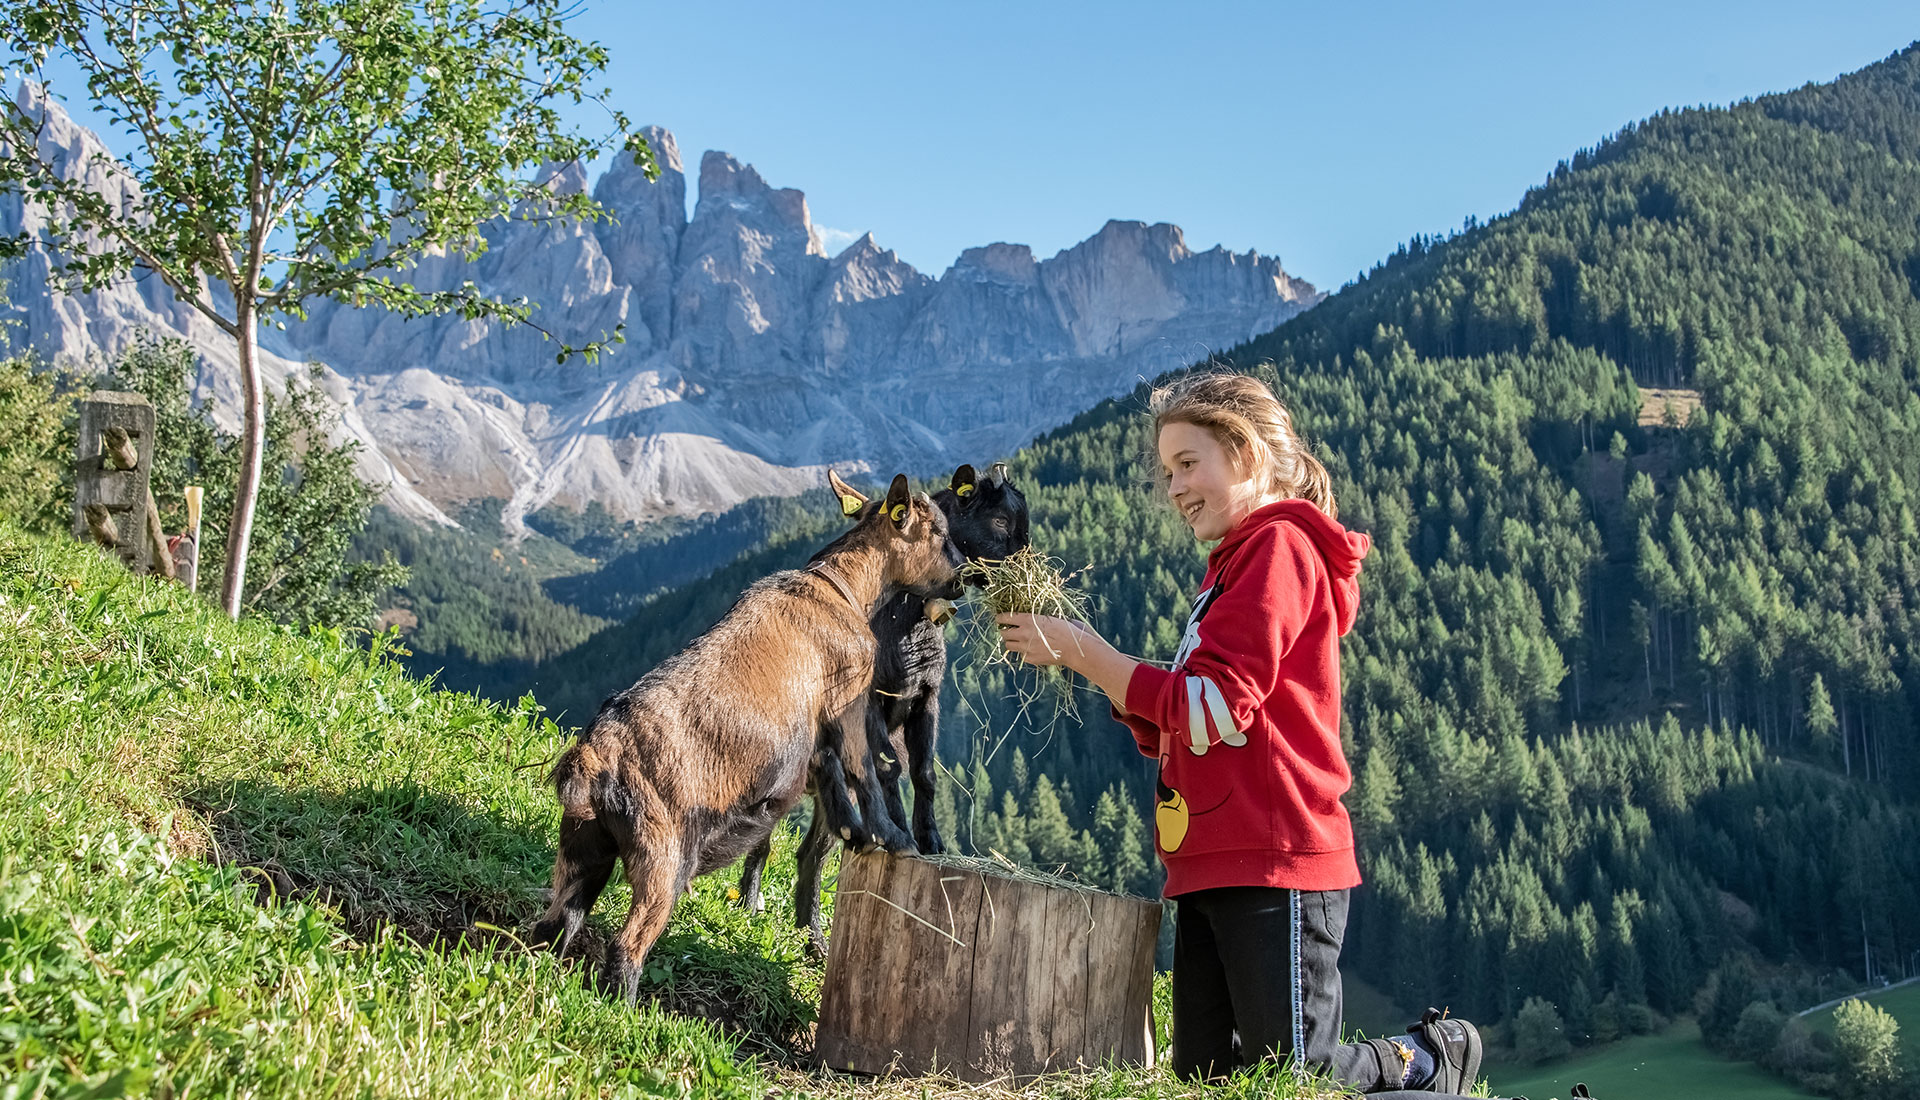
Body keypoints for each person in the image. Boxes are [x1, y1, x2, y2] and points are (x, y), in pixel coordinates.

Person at [996, 372, 1484, 1094]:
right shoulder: (1230, 565)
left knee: (1291, 1079)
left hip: (1274, 856)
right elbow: (1200, 722)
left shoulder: (1279, 548)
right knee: (1210, 1078)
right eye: (1167, 471)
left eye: (1189, 464)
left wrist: (1087, 654)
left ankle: (1423, 1059)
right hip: (1210, 858)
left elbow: (1216, 708)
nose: (1174, 487)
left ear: (1248, 455)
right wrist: (1112, 680)